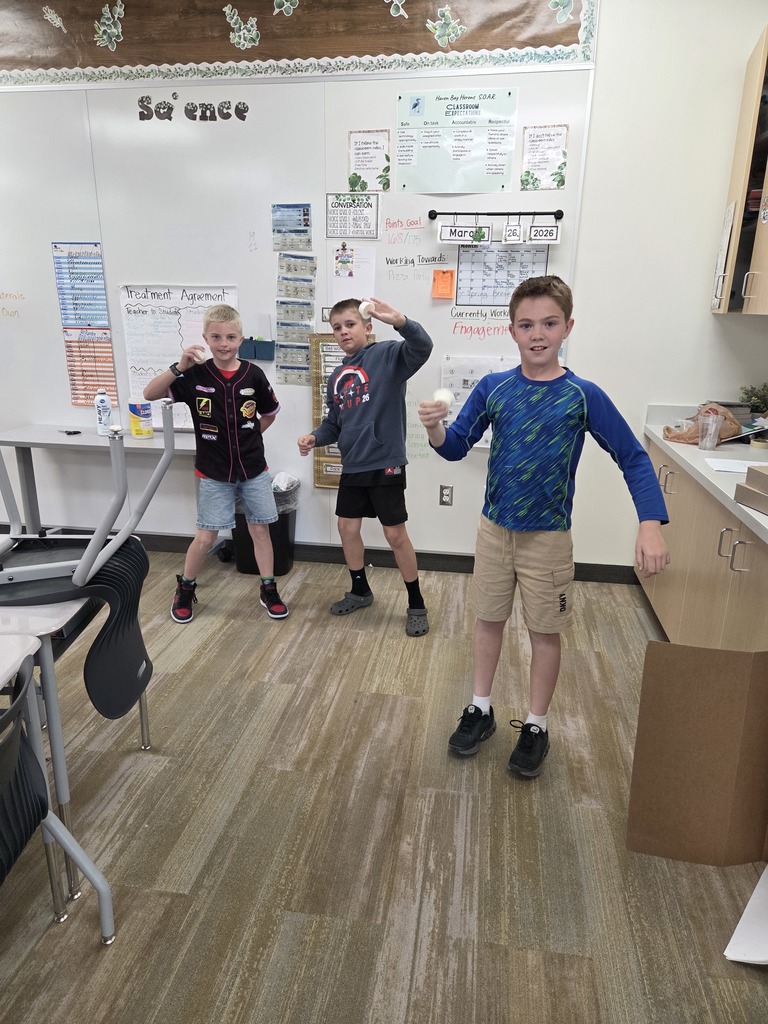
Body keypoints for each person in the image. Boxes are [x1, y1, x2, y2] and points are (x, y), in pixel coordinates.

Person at [417, 275, 669, 776]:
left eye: (549, 323)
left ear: (567, 327)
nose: (538, 333)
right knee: (487, 620)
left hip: (549, 538)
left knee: (544, 632)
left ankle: (536, 724)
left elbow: (634, 458)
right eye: (527, 324)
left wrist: (651, 522)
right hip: (494, 531)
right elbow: (455, 447)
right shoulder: (495, 388)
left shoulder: (582, 395)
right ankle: (481, 709)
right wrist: (434, 427)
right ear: (511, 330)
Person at [143, 302, 289, 624]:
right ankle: (185, 588)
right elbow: (149, 393)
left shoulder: (254, 374)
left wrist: (251, 437)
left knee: (260, 530)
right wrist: (178, 366)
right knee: (206, 536)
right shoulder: (194, 375)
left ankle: (268, 588)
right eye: (217, 337)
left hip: (253, 470)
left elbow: (269, 413)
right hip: (214, 473)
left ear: (241, 338)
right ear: (206, 339)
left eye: (231, 337)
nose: (224, 344)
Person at [297, 296, 432, 636]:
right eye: (337, 327)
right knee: (347, 529)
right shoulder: (337, 377)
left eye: (350, 324)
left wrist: (400, 320)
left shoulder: (388, 355)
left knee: (394, 534)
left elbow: (422, 346)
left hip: (385, 461)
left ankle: (416, 602)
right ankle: (360, 590)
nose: (343, 332)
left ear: (367, 327)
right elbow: (334, 424)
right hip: (354, 464)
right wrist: (315, 437)